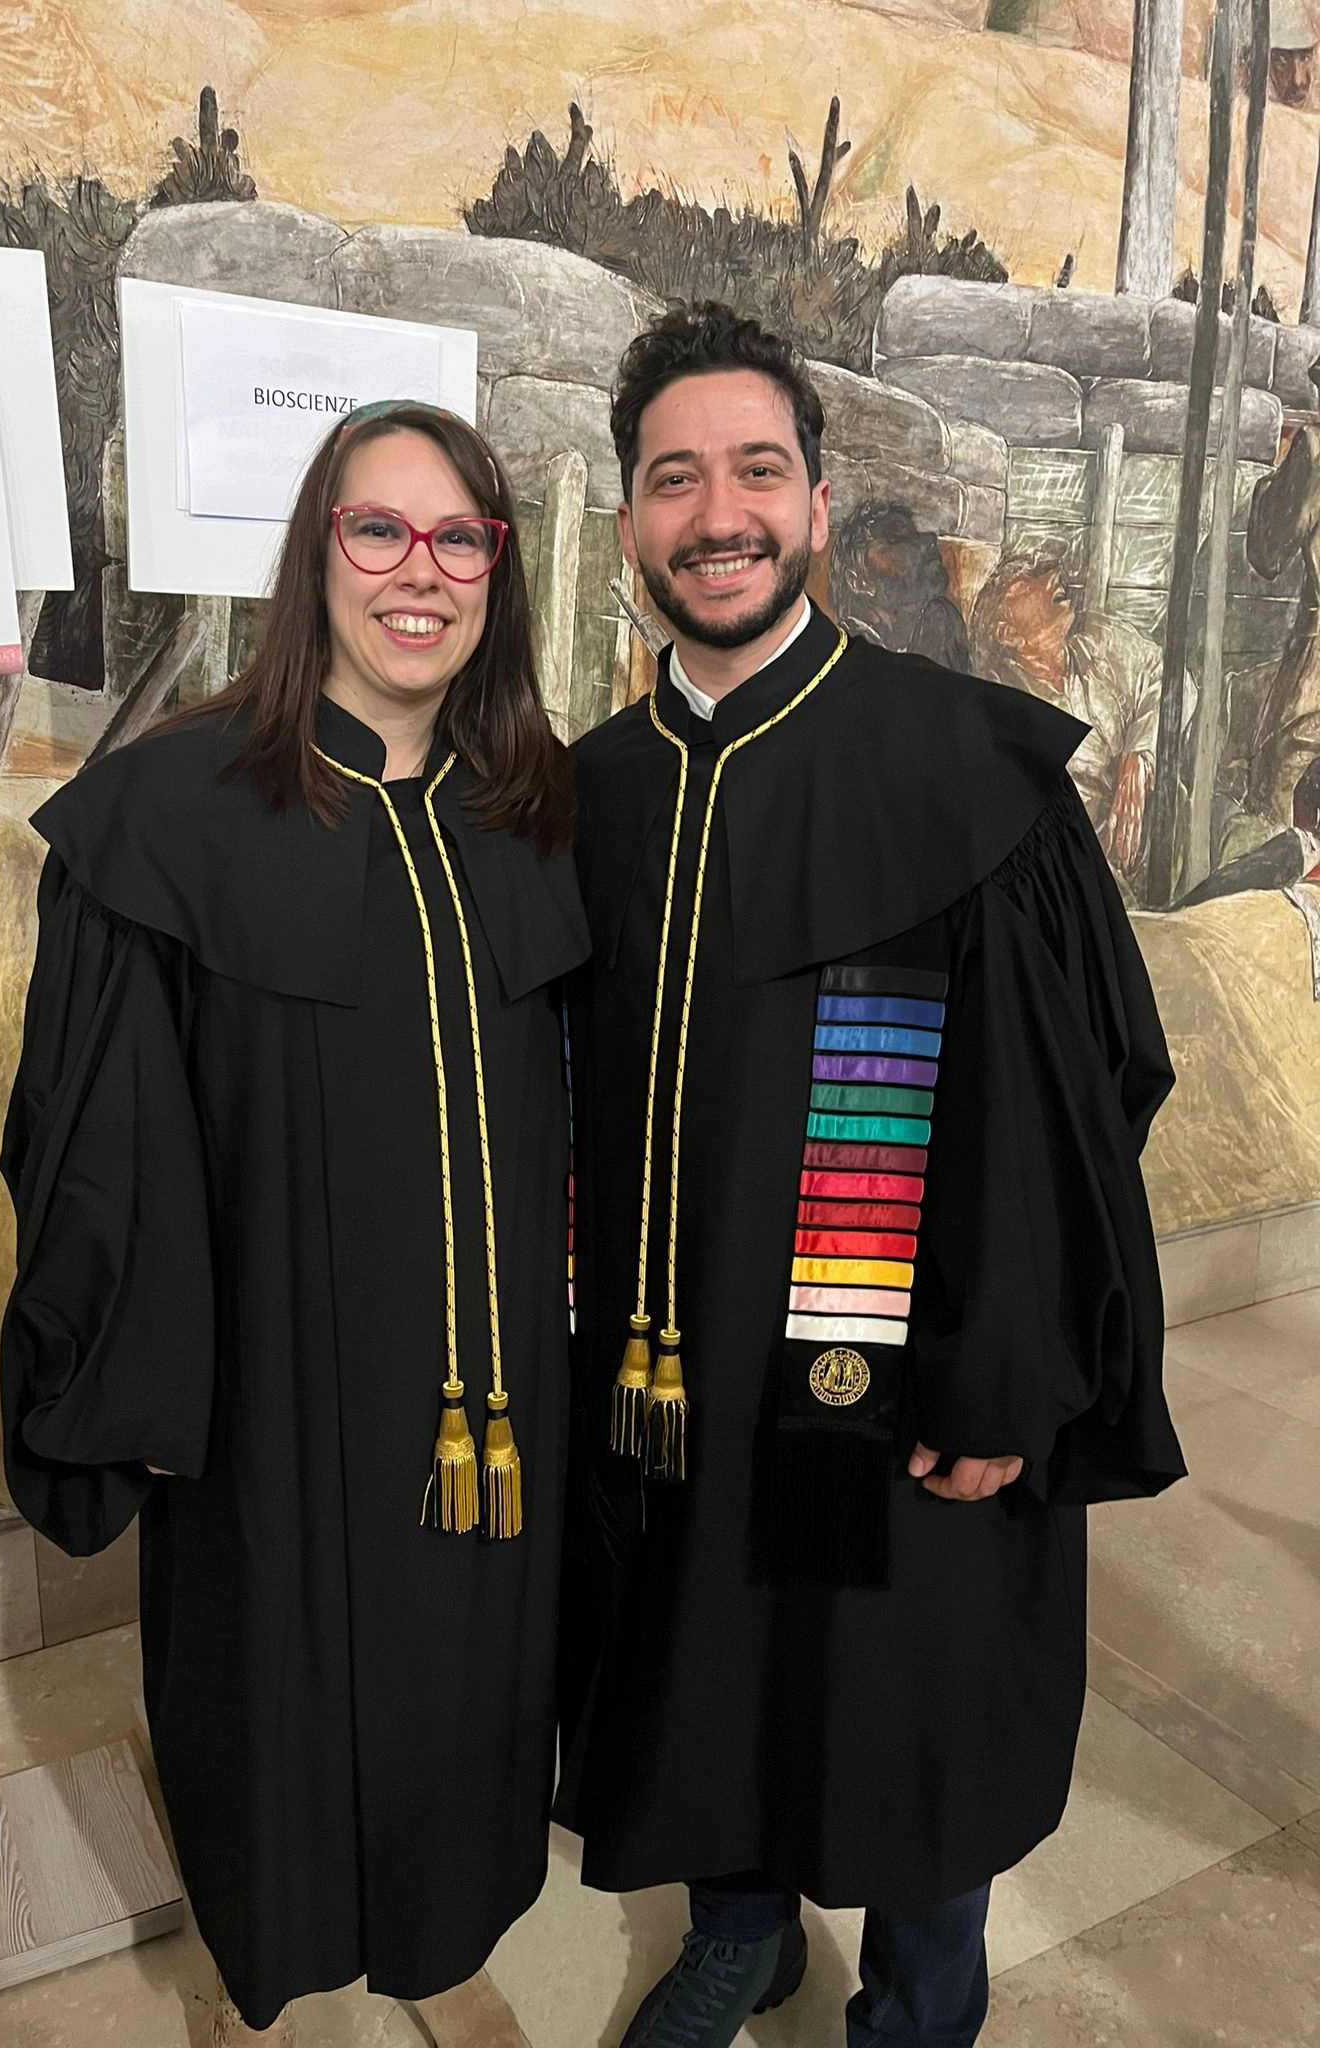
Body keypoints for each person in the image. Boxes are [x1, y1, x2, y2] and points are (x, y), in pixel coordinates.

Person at [556, 303, 1186, 2048]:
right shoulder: (587, 797)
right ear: (631, 522)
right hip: (674, 1370)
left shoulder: (967, 768)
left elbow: (1068, 1103)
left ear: (818, 504)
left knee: (917, 1711)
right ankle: (738, 1933)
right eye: (675, 479)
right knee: (702, 1669)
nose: (720, 514)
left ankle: (915, 2007)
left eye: (757, 471)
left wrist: (1007, 1378)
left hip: (902, 1369)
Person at [0, 402, 587, 2044]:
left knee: (470, 1704)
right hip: (277, 1409)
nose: (420, 571)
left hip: (500, 1402)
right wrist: (142, 1394)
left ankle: (444, 1927)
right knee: (281, 1717)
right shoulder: (169, 816)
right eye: (377, 529)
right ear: (313, 553)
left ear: (498, 570)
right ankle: (287, 1965)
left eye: (458, 536)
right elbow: (102, 1150)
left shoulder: (538, 810)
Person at [967, 544, 1165, 895]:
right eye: (1025, 583)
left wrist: (1138, 757)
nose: (1050, 578)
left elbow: (1168, 676)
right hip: (1092, 879)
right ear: (1008, 634)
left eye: (1044, 568)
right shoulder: (1008, 714)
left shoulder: (1097, 644)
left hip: (1166, 827)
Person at [827, 501, 970, 671]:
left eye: (914, 535)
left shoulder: (940, 622)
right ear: (858, 582)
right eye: (897, 538)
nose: (931, 539)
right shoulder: (842, 656)